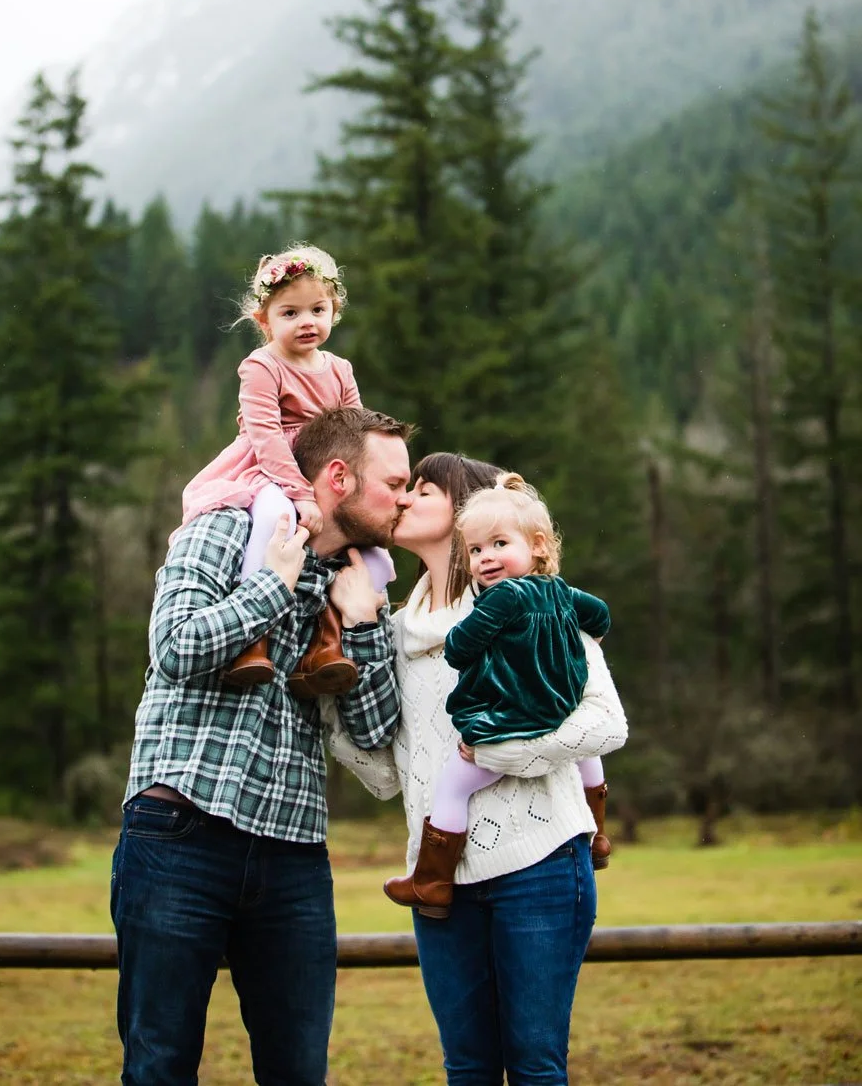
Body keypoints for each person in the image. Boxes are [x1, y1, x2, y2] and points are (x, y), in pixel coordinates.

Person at [112, 405, 411, 1086]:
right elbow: (176, 648)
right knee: (159, 1066)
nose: (404, 498)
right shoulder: (226, 526)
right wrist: (271, 585)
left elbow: (374, 731)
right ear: (338, 476)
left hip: (294, 855)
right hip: (181, 830)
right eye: (392, 484)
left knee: (300, 1073)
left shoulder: (364, 579)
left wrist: (362, 622)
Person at [324, 452, 628, 1086]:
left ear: (463, 510)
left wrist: (492, 755)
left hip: (539, 863)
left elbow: (605, 725)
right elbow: (388, 777)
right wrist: (327, 702)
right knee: (467, 1069)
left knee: (536, 1067)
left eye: (420, 490)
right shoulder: (395, 630)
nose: (401, 499)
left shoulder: (530, 606)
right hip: (437, 882)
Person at [384, 472, 612, 917]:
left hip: (507, 722)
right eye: (476, 550)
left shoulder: (501, 599)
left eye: (499, 545)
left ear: (539, 546)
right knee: (585, 754)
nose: (486, 558)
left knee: (452, 787)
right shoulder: (562, 593)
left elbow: (460, 646)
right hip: (557, 711)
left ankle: (431, 879)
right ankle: (598, 833)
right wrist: (581, 638)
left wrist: (464, 641)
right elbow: (600, 616)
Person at [174, 244, 394, 693]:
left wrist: (360, 483)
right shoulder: (262, 365)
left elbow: (357, 432)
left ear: (335, 310)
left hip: (326, 467)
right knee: (276, 520)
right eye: (290, 313)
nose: (307, 322)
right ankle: (255, 639)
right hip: (272, 467)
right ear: (264, 321)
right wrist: (298, 492)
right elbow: (265, 434)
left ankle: (326, 643)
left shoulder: (340, 369)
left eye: (318, 309)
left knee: (374, 551)